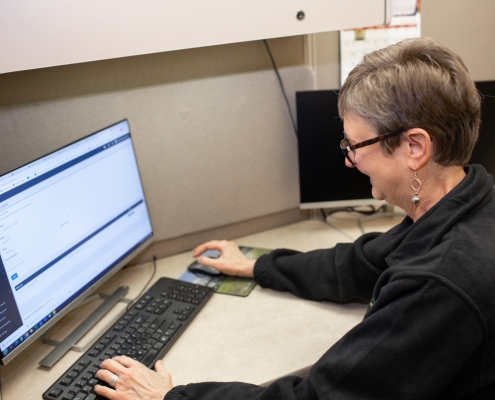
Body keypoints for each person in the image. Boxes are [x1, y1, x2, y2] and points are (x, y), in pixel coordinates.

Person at [94, 37, 495, 399]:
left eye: (355, 144)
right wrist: (257, 264)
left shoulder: (439, 282)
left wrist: (169, 398)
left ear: (414, 147)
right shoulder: (466, 203)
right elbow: (357, 264)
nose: (349, 159)